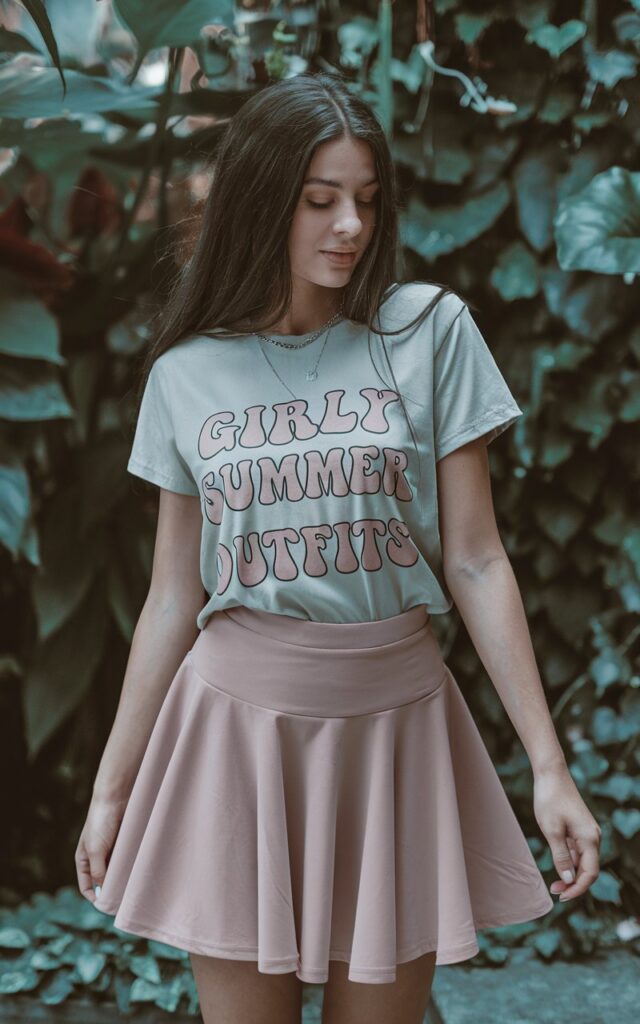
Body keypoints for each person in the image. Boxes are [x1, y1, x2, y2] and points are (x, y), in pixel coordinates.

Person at [75, 71, 601, 1024]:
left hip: (395, 724)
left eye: (365, 199)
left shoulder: (429, 332)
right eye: (319, 201)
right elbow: (169, 599)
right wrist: (113, 792)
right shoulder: (187, 375)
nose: (349, 226)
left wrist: (550, 769)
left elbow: (478, 559)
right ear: (260, 201)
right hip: (237, 738)